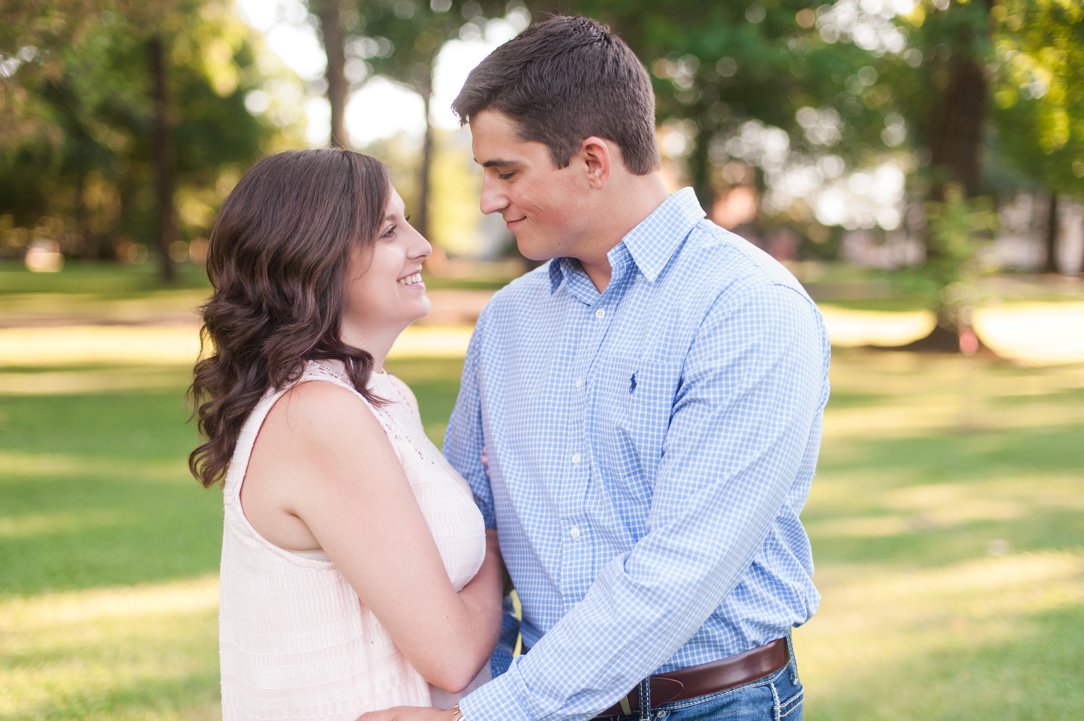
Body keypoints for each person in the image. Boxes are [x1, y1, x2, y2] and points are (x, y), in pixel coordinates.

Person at [361, 14, 831, 721]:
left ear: (593, 160)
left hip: (714, 705)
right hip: (540, 703)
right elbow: (472, 529)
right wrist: (474, 691)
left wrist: (486, 716)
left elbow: (682, 567)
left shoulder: (747, 308)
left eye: (504, 171)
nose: (489, 199)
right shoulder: (508, 321)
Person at [187, 149, 504, 720]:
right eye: (388, 230)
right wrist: (498, 546)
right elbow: (451, 654)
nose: (422, 245)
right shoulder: (318, 415)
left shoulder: (379, 396)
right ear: (315, 258)